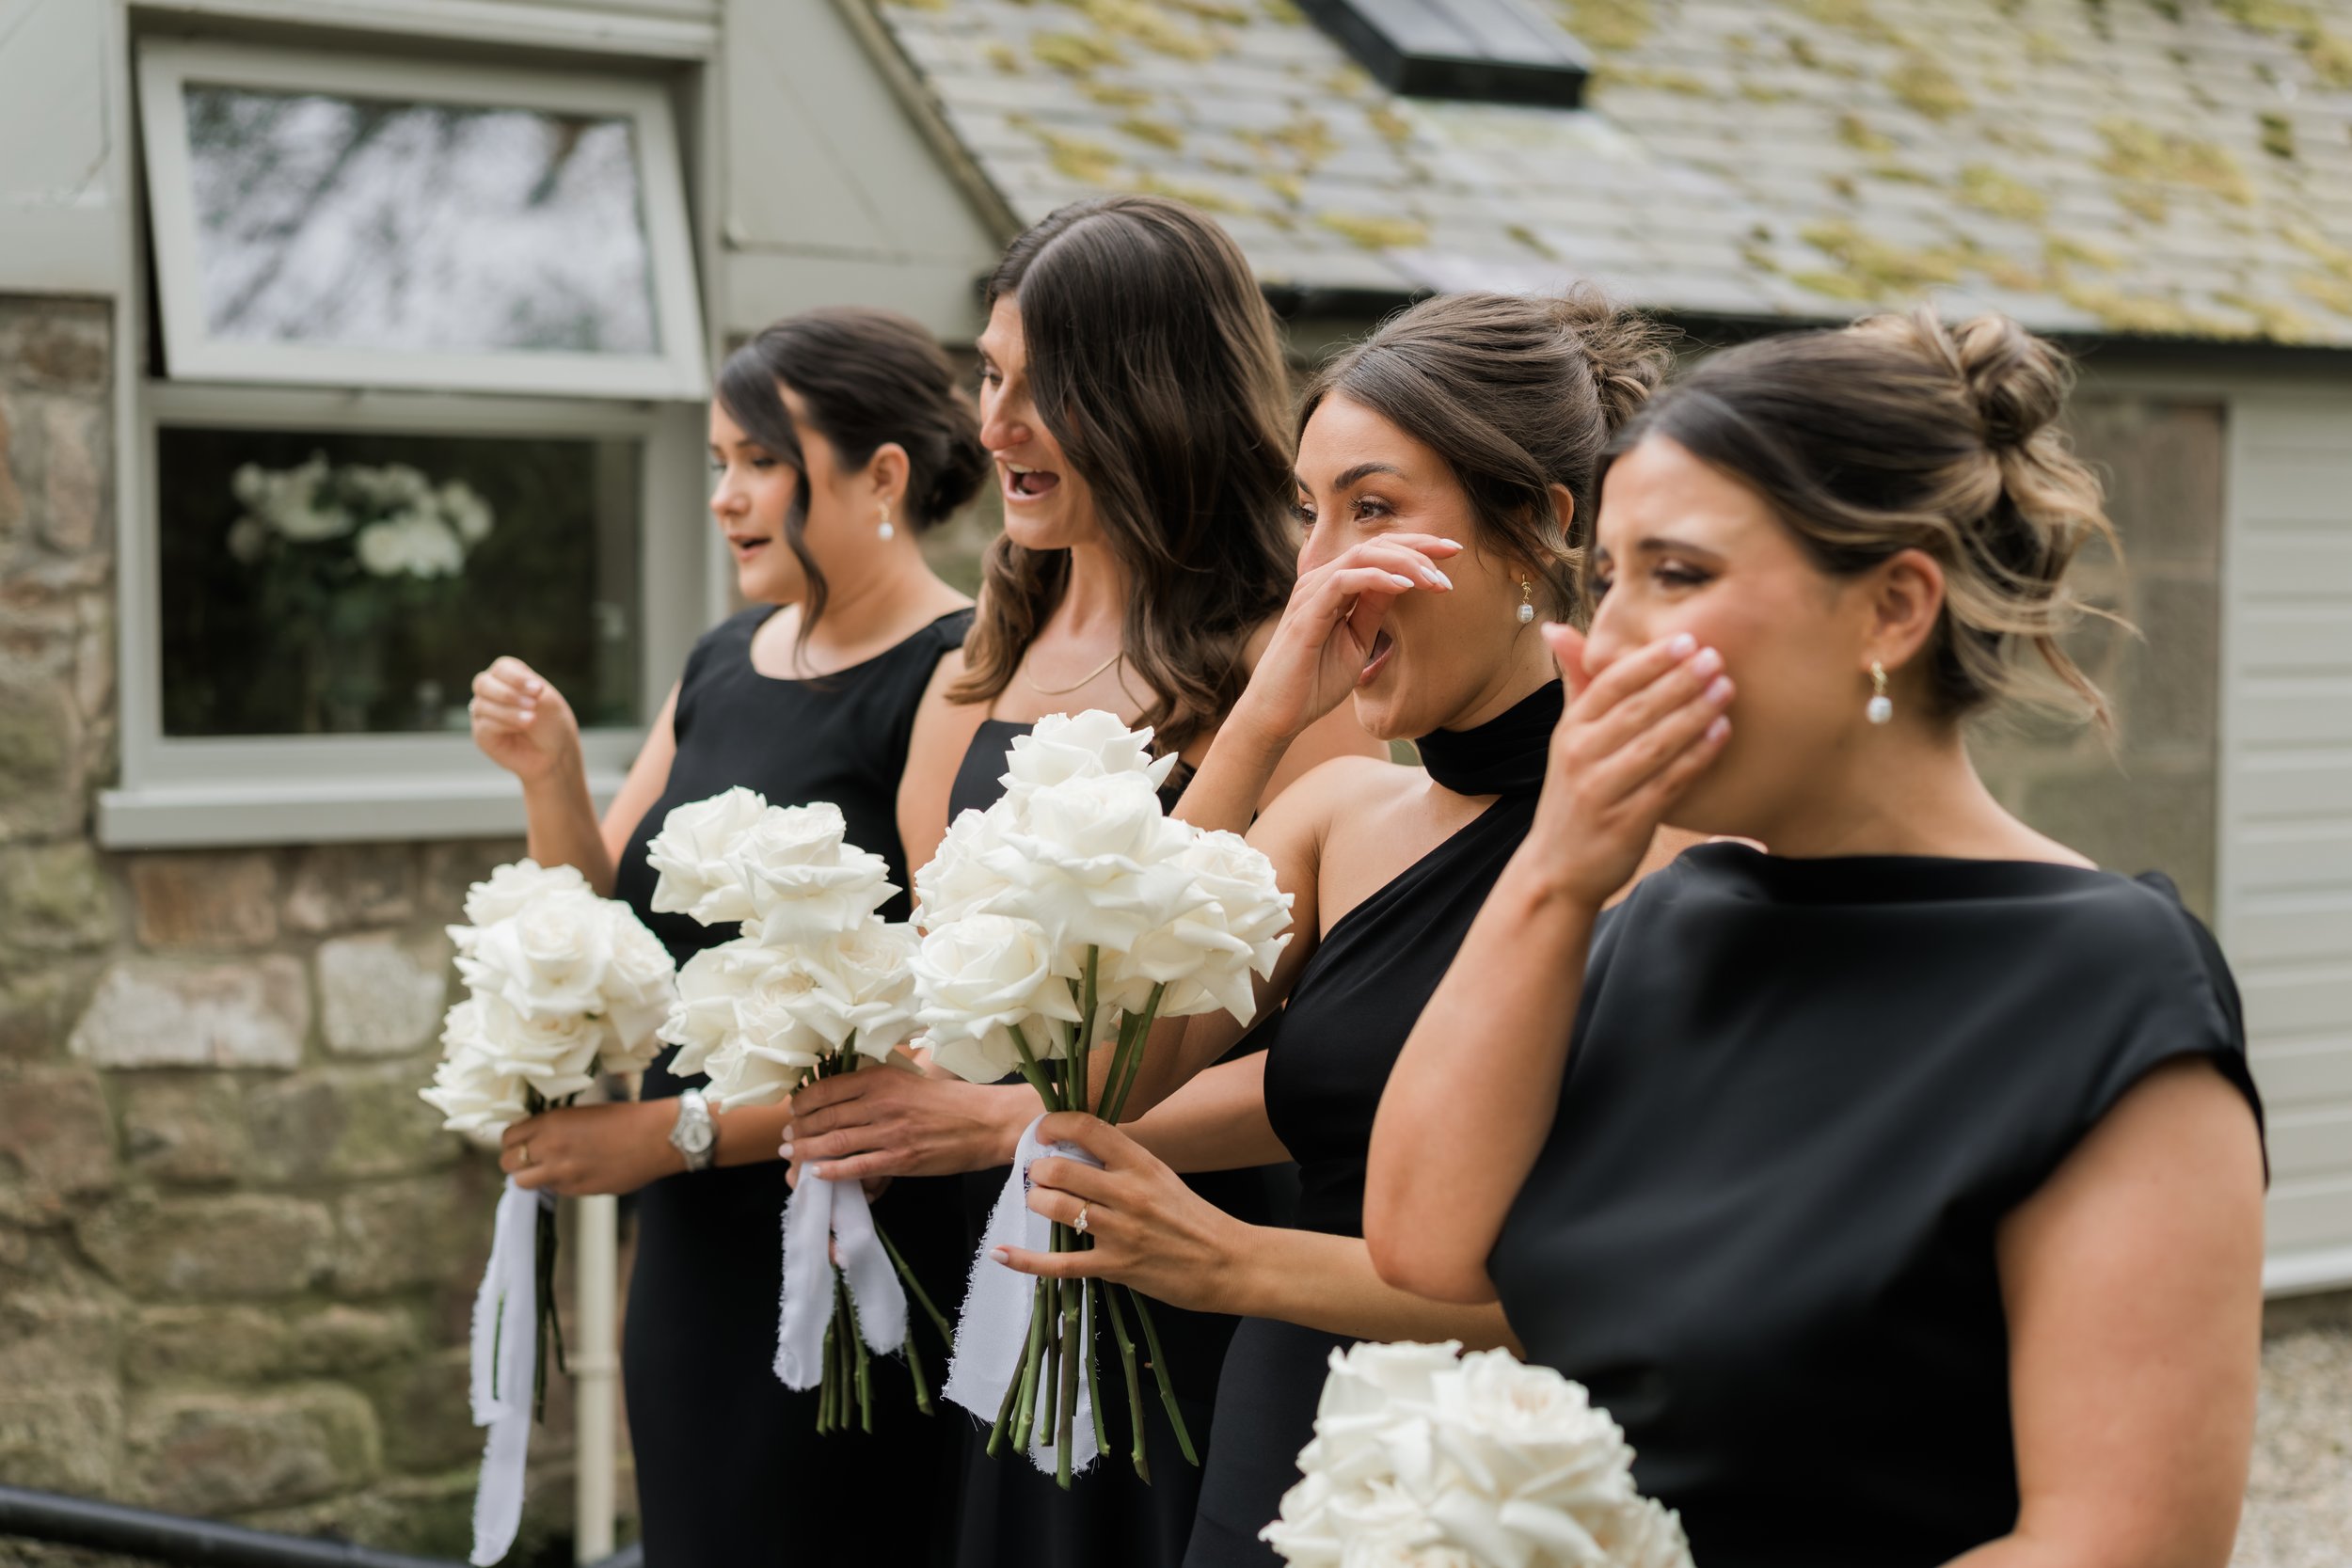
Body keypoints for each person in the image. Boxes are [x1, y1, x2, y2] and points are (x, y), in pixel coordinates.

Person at [1364, 309, 2268, 1567]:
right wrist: (1554, 880)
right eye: (1607, 579)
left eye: (1676, 575)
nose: (1608, 641)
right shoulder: (1666, 921)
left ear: (1893, 608)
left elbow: (2125, 1545)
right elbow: (1421, 1242)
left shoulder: (2106, 987)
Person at [988, 288, 1690, 1567]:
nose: (1322, 574)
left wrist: (1238, 1263)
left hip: (1525, 1482)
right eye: (1308, 517)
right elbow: (1097, 1071)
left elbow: (1642, 1287)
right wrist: (1257, 721)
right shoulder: (1334, 817)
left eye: (1372, 510)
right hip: (1283, 1445)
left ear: (1538, 525)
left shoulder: (1682, 857)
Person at [781, 194, 1378, 1568]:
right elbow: (946, 983)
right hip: (987, 1275)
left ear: (1152, 398)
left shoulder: (1290, 679)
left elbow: (1314, 1071)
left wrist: (1013, 1129)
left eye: (1044, 389)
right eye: (990, 374)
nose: (992, 426)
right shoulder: (975, 663)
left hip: (1194, 1279)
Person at [464, 307, 987, 1565]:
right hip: (693, 1249)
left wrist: (675, 1135)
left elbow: (947, 1027)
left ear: (882, 477)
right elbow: (605, 915)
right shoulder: (722, 661)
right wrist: (547, 776)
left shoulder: (963, 672)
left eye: (759, 461)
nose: (727, 497)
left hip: (857, 1241)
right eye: (718, 464)